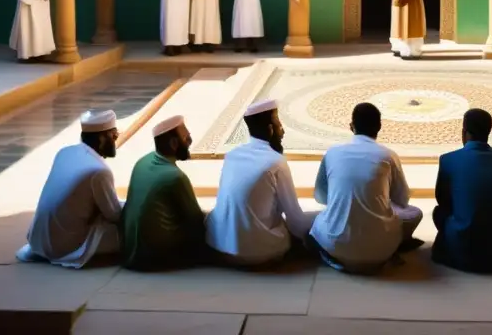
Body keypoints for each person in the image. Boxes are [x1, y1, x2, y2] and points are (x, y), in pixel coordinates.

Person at [309, 102, 423, 273]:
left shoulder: (333, 152)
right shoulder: (388, 155)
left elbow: (320, 196)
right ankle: (395, 247)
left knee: (318, 219)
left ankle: (331, 255)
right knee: (415, 213)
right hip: (381, 249)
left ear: (351, 126)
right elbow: (402, 199)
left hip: (338, 246)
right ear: (379, 127)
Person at [205, 99, 317, 266]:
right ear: (270, 129)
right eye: (279, 125)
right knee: (314, 220)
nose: (283, 131)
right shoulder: (276, 162)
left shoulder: (232, 155)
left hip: (221, 249)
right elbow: (295, 218)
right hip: (262, 253)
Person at [17, 109, 123, 268]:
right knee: (134, 228)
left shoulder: (65, 152)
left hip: (38, 241)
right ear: (102, 139)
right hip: (64, 246)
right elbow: (115, 215)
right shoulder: (99, 171)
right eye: (114, 136)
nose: (115, 141)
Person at [432, 108, 492, 274]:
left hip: (462, 244)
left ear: (464, 132)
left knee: (439, 212)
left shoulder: (448, 159)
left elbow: (442, 199)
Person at [121, 115, 205, 270]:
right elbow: (196, 221)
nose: (190, 141)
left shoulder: (142, 162)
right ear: (174, 143)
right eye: (186, 138)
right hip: (156, 257)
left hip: (130, 252)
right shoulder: (175, 177)